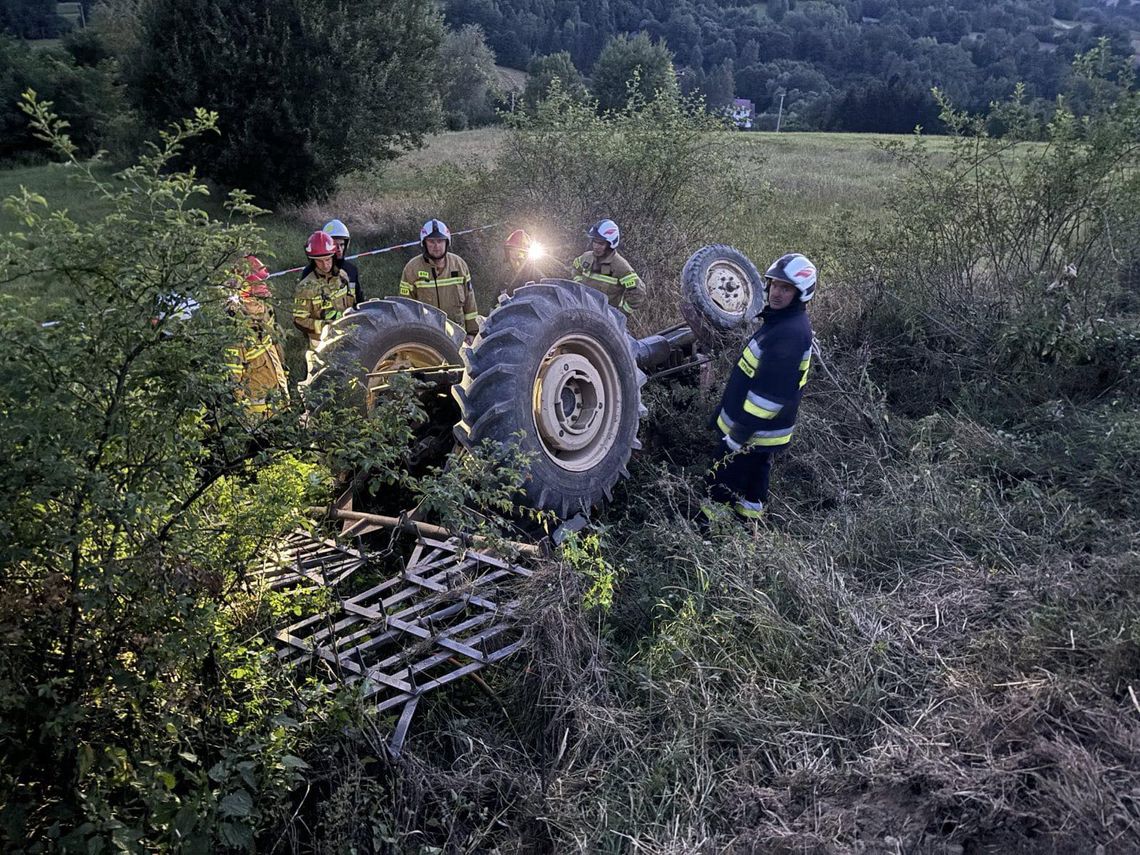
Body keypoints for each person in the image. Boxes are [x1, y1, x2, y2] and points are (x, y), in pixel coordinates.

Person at [704, 252, 816, 522]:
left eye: (785, 288)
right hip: (763, 433)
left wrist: (736, 437)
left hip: (752, 432)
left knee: (720, 483)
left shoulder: (788, 334)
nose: (776, 293)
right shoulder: (782, 323)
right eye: (774, 285)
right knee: (754, 486)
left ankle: (710, 532)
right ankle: (747, 528)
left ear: (801, 293)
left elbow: (768, 398)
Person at [224, 255, 289, 420]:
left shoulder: (264, 322)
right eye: (256, 299)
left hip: (279, 409)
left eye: (263, 299)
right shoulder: (236, 336)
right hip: (258, 420)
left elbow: (276, 359)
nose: (262, 305)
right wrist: (248, 422)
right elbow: (233, 385)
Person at [399, 218, 479, 338]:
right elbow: (405, 308)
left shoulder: (459, 265)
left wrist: (472, 333)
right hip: (427, 338)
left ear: (447, 242)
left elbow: (470, 302)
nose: (436, 246)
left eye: (440, 241)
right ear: (424, 243)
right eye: (431, 241)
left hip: (458, 336)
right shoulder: (412, 268)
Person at [292, 230, 356, 351]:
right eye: (320, 261)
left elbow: (352, 303)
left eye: (328, 259)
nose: (325, 265)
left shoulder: (343, 277)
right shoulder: (305, 287)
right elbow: (299, 320)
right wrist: (325, 327)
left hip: (346, 335)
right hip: (320, 342)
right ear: (312, 261)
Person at [571, 219, 645, 316]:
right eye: (594, 242)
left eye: (601, 243)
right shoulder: (586, 258)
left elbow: (638, 292)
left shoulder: (620, 266)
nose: (596, 246)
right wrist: (579, 285)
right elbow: (576, 268)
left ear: (610, 244)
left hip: (604, 317)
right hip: (582, 310)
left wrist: (620, 314)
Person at [298, 219, 364, 304]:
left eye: (342, 245)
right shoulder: (310, 272)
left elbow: (359, 300)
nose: (339, 249)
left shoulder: (351, 270)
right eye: (335, 245)